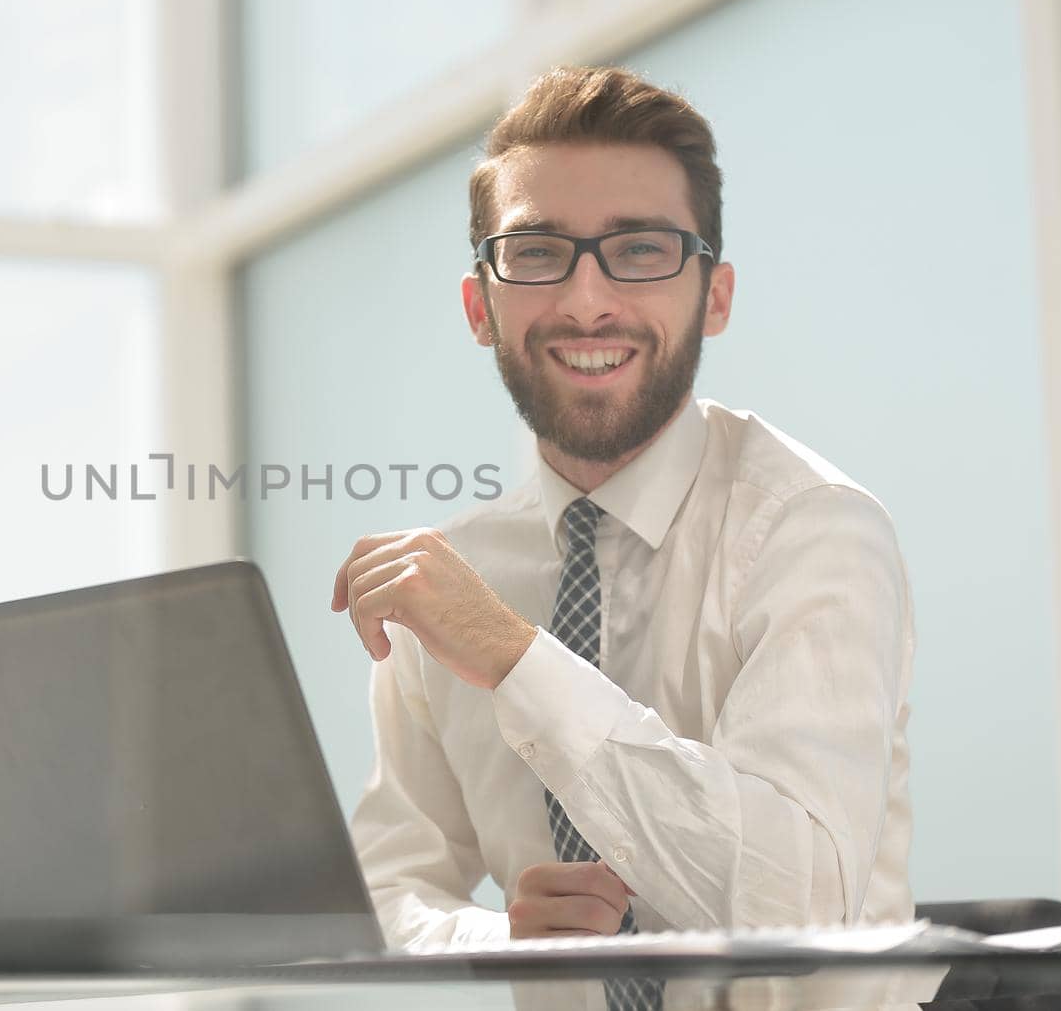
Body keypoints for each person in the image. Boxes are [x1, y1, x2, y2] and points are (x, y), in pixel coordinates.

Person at [332, 66, 914, 956]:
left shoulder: (815, 530)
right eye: (535, 252)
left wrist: (513, 657)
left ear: (714, 296)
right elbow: (386, 887)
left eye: (640, 250)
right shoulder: (451, 583)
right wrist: (495, 937)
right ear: (478, 306)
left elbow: (796, 902)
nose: (587, 300)